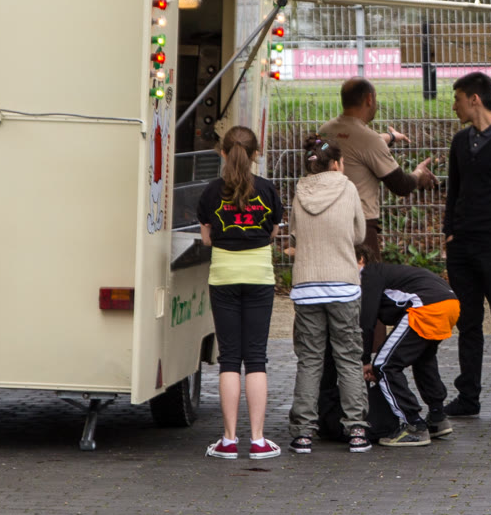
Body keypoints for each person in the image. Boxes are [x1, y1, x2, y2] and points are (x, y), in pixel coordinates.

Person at [430, 71, 491, 423]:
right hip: (463, 250)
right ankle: (468, 397)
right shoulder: (460, 142)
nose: (453, 106)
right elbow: (454, 192)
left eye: (457, 99)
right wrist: (449, 233)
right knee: (467, 324)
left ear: (474, 100)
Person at [195, 126, 283, 460]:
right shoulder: (267, 189)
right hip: (259, 276)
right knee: (256, 358)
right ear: (256, 153)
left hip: (223, 277)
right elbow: (272, 232)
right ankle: (258, 441)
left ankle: (229, 440)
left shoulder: (211, 191)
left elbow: (207, 239)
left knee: (230, 358)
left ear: (223, 153)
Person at [286, 136, 373, 454]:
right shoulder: (347, 188)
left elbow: (294, 234)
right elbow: (359, 234)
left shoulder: (300, 191)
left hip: (307, 285)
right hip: (343, 285)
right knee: (348, 358)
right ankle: (356, 430)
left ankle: (303, 433)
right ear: (336, 163)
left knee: (310, 359)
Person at [319, 78, 433, 260]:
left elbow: (353, 141)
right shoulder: (368, 139)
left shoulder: (325, 130)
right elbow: (401, 185)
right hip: (358, 224)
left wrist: (390, 137)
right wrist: (419, 173)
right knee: (368, 275)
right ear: (369, 99)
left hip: (324, 219)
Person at [357, 251, 460, 447]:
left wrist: (364, 360)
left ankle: (414, 425)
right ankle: (437, 416)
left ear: (361, 259)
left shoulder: (368, 274)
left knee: (383, 366)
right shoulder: (390, 272)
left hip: (426, 306)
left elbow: (367, 321)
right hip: (449, 303)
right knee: (423, 359)